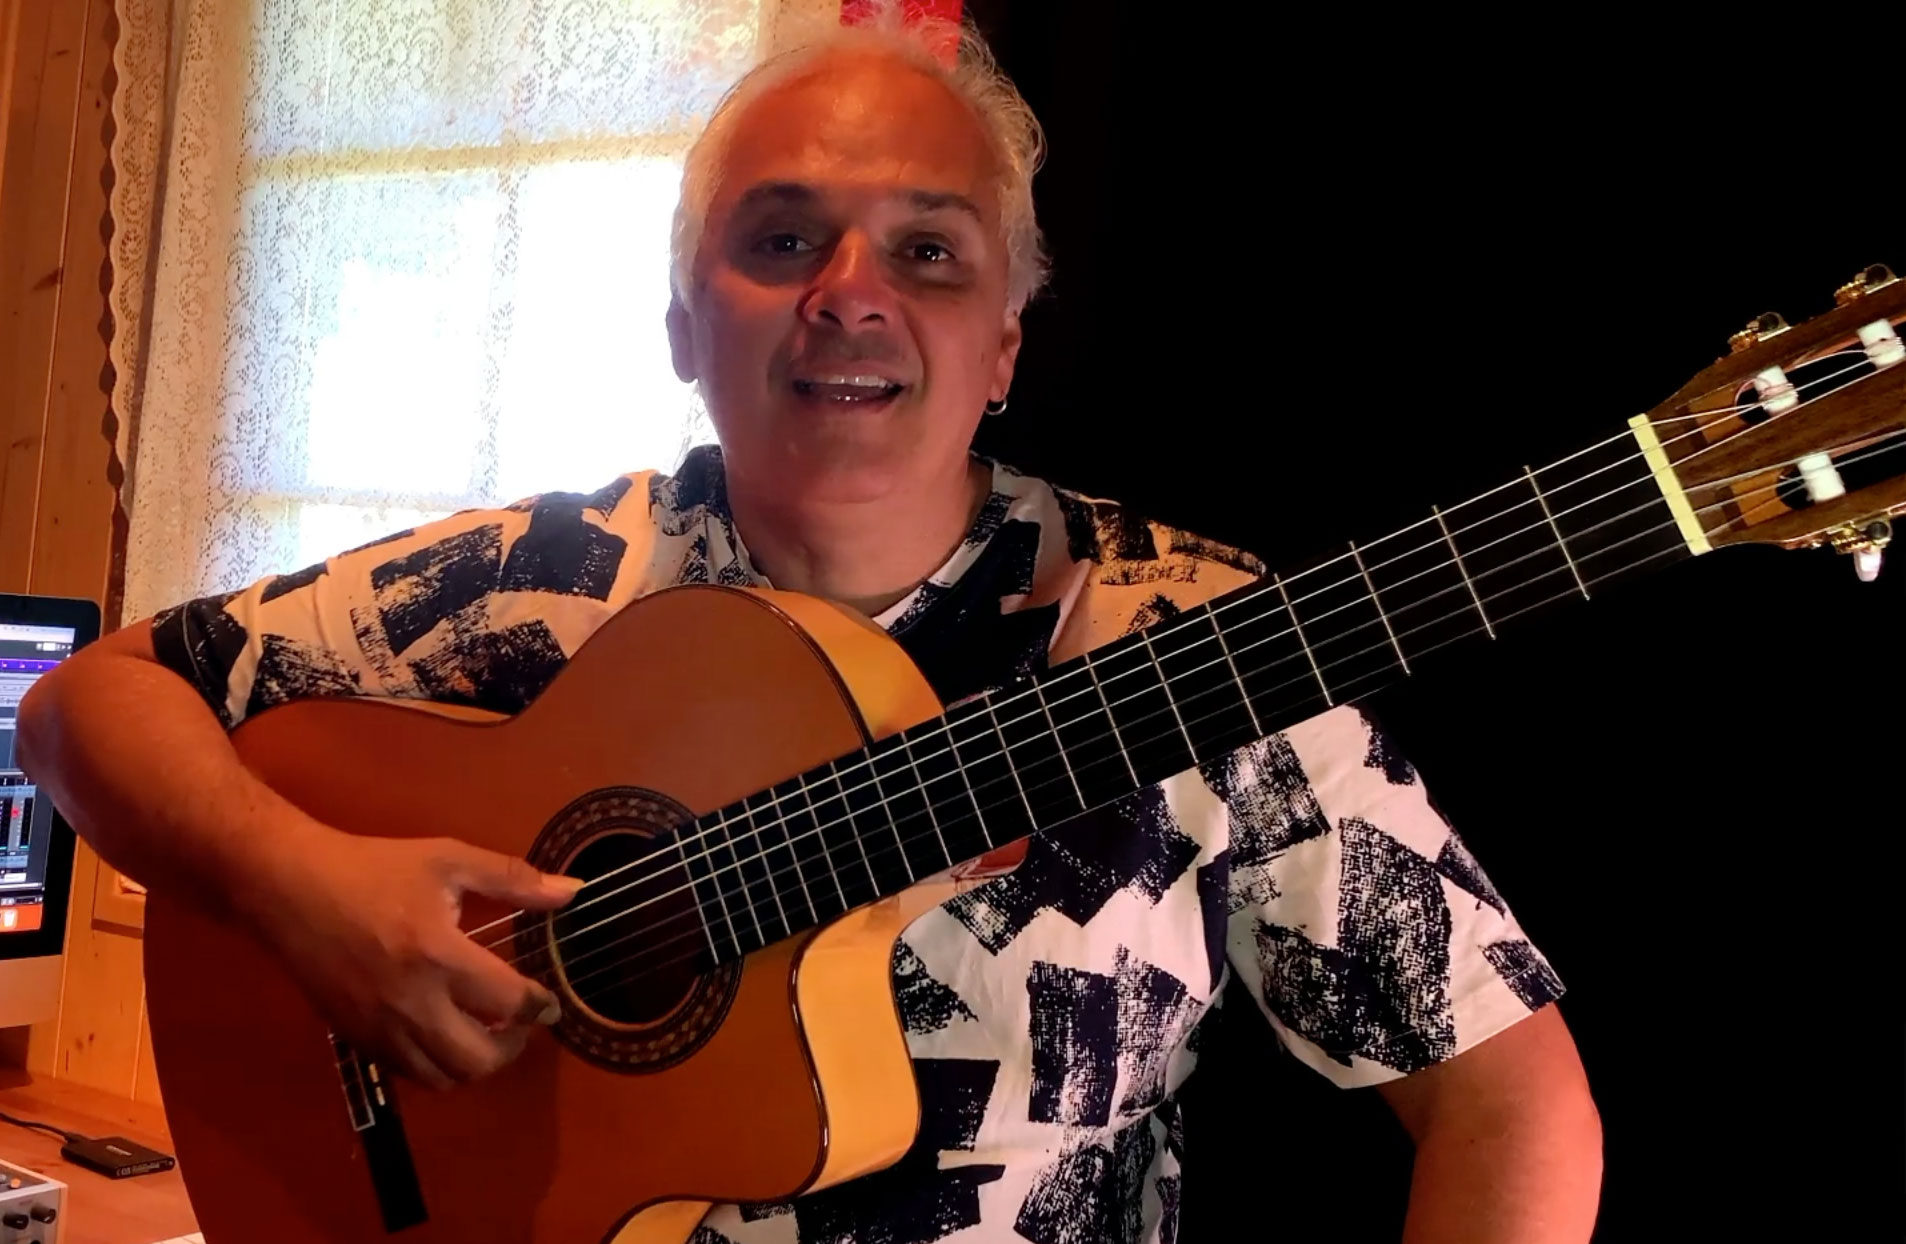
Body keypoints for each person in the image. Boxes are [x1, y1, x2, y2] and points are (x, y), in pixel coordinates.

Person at [18, 9, 1601, 1242]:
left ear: (1002, 344)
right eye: (781, 241)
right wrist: (306, 890)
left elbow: (1509, 1107)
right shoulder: (540, 580)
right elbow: (90, 703)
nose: (850, 292)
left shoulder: (1182, 633)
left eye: (927, 250)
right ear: (682, 324)